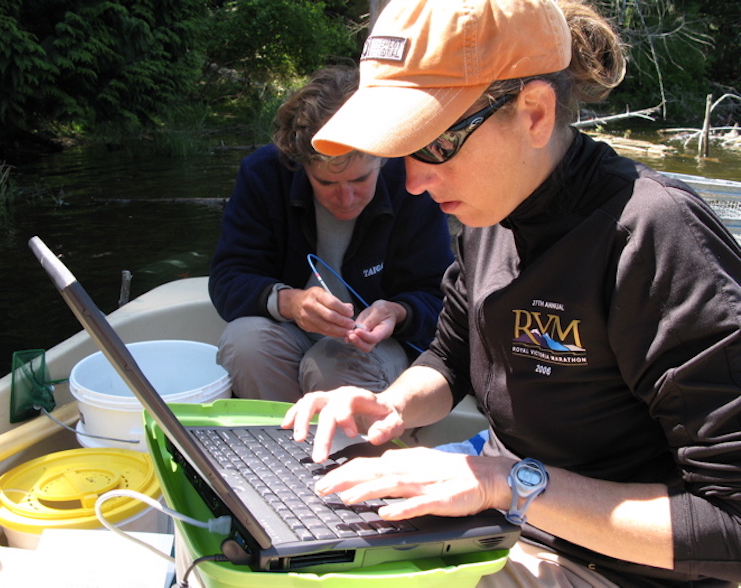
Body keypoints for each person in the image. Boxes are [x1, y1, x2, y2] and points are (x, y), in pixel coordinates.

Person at [282, 0, 741, 586]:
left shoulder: (656, 236)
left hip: (615, 565)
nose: (415, 182)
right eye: (401, 152)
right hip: (503, 515)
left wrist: (506, 482)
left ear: (533, 113)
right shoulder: (487, 216)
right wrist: (393, 406)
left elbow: (731, 526)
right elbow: (452, 359)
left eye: (436, 144)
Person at [208, 65, 454, 404]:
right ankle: (285, 450)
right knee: (244, 343)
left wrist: (398, 312)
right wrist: (289, 302)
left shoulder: (411, 183)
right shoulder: (264, 175)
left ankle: (352, 455)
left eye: (360, 180)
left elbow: (440, 297)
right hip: (290, 333)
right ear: (300, 163)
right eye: (326, 182)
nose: (346, 198)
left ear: (382, 159)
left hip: (378, 347)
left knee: (331, 367)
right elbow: (228, 277)